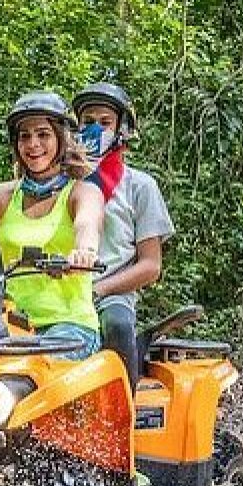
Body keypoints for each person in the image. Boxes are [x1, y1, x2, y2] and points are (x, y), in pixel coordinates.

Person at [0, 91, 105, 360]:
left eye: (43, 134)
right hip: (7, 324)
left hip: (68, 329)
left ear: (61, 139)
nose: (33, 144)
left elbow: (87, 224)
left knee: (29, 374)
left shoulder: (82, 193)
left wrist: (84, 251)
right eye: (24, 136)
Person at [71, 82, 175, 387]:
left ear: (121, 130)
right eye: (88, 122)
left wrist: (98, 289)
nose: (95, 129)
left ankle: (125, 407)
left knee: (117, 323)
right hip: (58, 291)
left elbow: (151, 266)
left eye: (105, 122)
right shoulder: (60, 182)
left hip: (111, 293)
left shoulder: (140, 186)